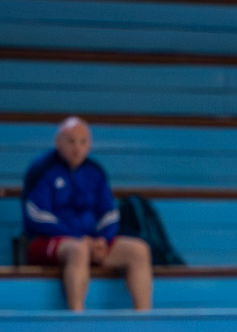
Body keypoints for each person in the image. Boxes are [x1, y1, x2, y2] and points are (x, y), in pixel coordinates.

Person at [22, 117, 152, 312]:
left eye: (83, 142)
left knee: (139, 250)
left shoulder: (95, 172)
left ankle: (144, 318)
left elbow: (109, 213)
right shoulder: (42, 169)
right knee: (79, 250)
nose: (77, 148)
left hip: (91, 242)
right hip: (47, 241)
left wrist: (103, 240)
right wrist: (78, 237)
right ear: (58, 142)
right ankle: (77, 317)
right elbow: (36, 215)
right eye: (71, 141)